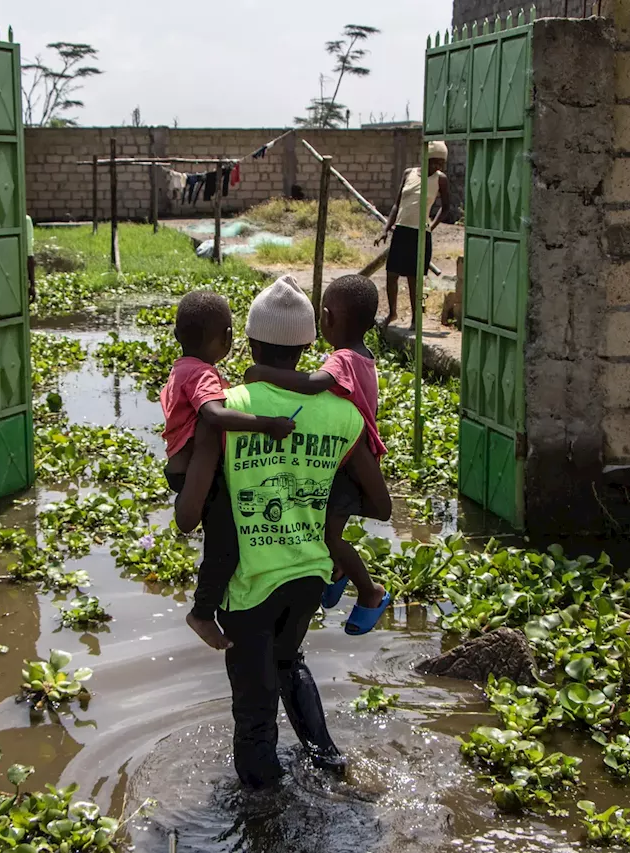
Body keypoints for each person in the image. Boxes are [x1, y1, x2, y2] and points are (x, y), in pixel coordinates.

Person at [176, 277, 394, 789]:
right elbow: (381, 506)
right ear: (307, 345)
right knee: (288, 660)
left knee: (254, 713)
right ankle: (330, 764)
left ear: (247, 343)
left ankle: (264, 818)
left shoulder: (228, 407)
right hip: (309, 576)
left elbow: (190, 516)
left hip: (249, 583)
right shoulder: (344, 414)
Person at [243, 274, 390, 634]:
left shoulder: (341, 359)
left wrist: (262, 374)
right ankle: (336, 570)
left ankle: (370, 591)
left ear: (326, 318)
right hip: (349, 455)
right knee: (327, 526)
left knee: (328, 535)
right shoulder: (362, 355)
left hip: (349, 460)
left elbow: (312, 385)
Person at [160, 289, 297, 651]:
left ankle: (208, 607)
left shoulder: (180, 370)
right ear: (227, 338)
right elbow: (214, 415)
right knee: (226, 547)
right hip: (196, 473)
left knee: (223, 540)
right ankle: (202, 612)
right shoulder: (202, 373)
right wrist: (268, 424)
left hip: (182, 469)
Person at [376, 141, 453, 329]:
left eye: (440, 164)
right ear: (425, 159)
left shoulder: (440, 179)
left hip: (421, 234)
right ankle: (392, 313)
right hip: (402, 230)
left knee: (415, 278)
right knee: (391, 274)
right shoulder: (409, 174)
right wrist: (386, 229)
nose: (437, 167)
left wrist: (431, 226)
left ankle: (415, 319)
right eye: (434, 162)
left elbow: (446, 207)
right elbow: (397, 204)